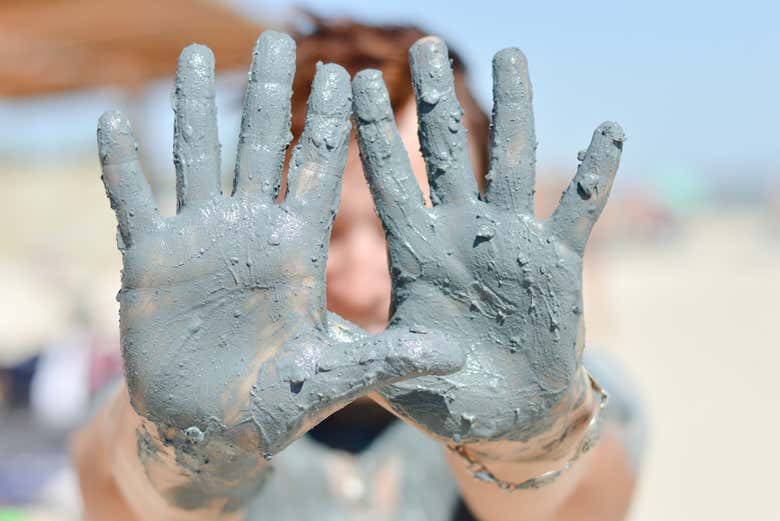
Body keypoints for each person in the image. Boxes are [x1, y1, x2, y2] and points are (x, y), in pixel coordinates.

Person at [73, 16, 644, 521]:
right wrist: (186, 450)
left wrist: (529, 442)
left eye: (408, 233)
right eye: (326, 234)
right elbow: (117, 492)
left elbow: (584, 500)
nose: (365, 284)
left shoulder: (557, 381)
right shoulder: (167, 380)